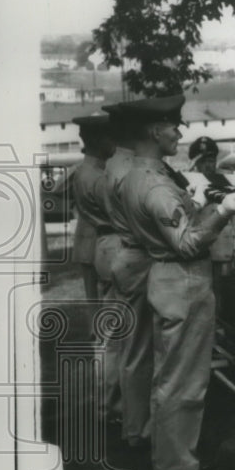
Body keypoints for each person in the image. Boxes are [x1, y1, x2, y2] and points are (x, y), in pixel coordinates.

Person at [117, 95, 235, 470]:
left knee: (168, 371)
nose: (180, 131)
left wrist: (210, 206)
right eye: (173, 126)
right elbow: (188, 243)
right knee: (184, 378)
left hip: (168, 275)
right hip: (183, 277)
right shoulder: (155, 185)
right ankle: (177, 464)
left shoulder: (139, 173)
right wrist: (224, 211)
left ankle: (165, 450)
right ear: (154, 130)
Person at [97, 102, 152, 445]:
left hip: (123, 255)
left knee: (127, 345)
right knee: (140, 349)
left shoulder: (114, 163)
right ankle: (137, 427)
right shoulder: (129, 168)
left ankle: (124, 416)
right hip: (138, 258)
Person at [188, 136, 235, 303]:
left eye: (212, 160)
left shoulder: (224, 181)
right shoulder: (188, 182)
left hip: (222, 244)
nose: (209, 165)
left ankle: (219, 324)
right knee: (200, 290)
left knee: (222, 288)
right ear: (196, 162)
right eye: (204, 161)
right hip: (198, 244)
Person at [70, 115, 116, 301]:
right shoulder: (96, 176)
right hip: (103, 245)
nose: (114, 142)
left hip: (87, 242)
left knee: (95, 306)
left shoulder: (82, 170)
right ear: (97, 141)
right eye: (110, 137)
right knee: (108, 305)